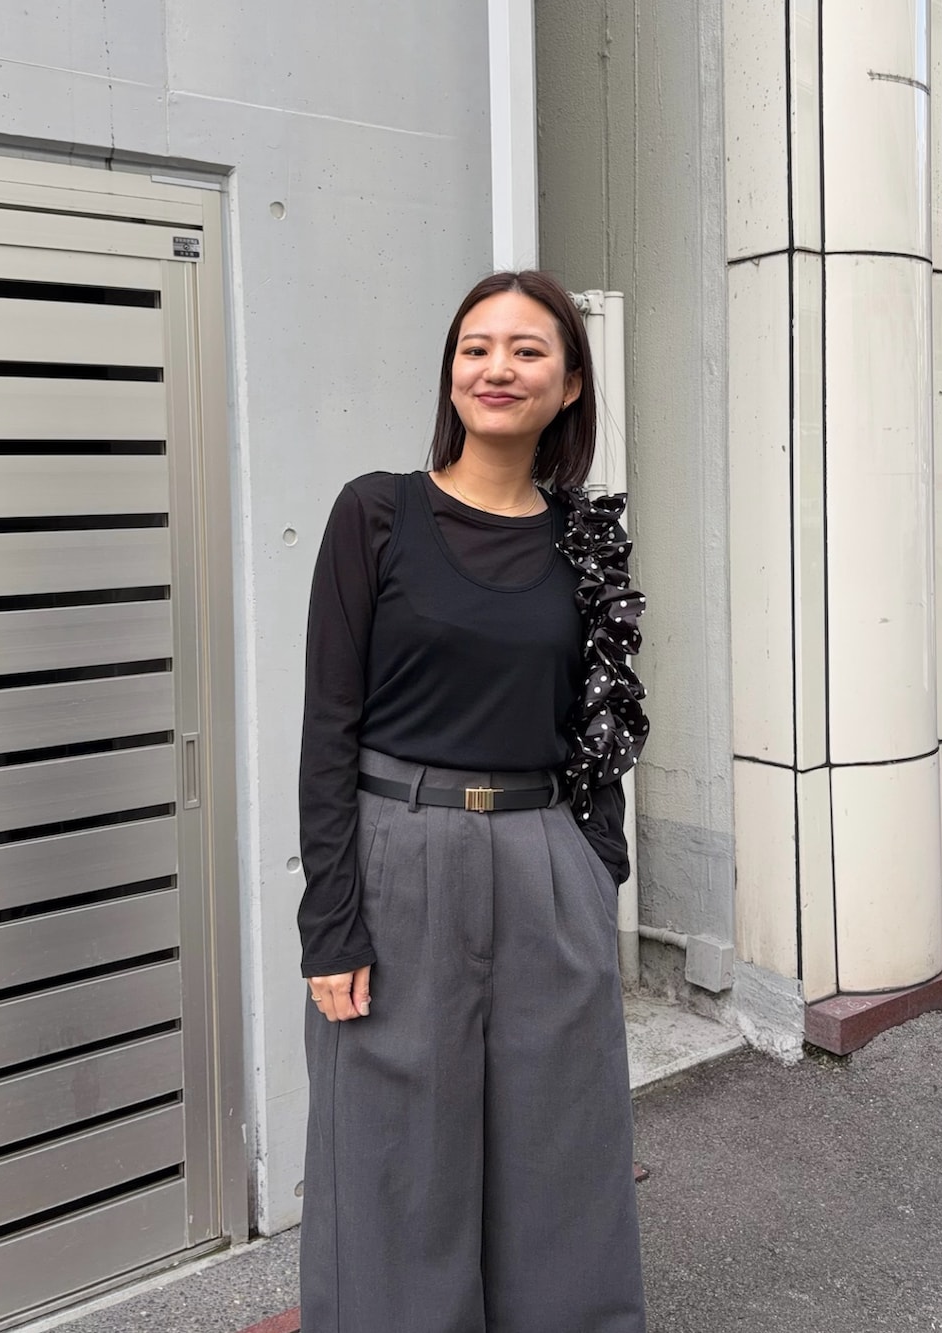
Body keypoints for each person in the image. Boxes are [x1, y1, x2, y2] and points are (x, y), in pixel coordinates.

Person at [297, 269, 650, 1333]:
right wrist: (330, 922)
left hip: (545, 857)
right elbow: (327, 728)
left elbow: (603, 719)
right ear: (451, 371)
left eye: (528, 350)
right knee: (394, 1150)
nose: (498, 368)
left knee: (562, 1146)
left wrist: (595, 867)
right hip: (399, 851)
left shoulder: (585, 541)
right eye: (476, 347)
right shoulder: (376, 513)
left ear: (571, 384)